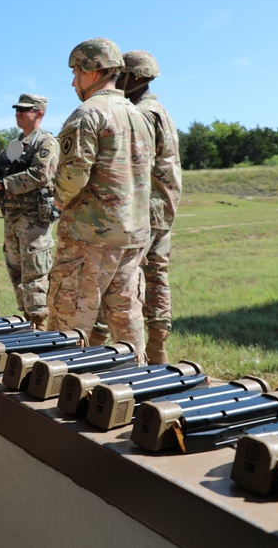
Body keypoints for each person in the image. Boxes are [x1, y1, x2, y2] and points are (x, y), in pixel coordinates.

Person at [47, 38, 155, 357]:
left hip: (88, 240)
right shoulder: (139, 117)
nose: (72, 81)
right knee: (127, 325)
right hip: (132, 238)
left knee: (67, 331)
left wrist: (57, 200)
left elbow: (73, 176)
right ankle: (136, 390)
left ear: (92, 72)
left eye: (76, 71)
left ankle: (59, 396)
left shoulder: (87, 114)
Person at [0, 94, 59, 329]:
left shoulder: (46, 143)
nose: (19, 113)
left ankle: (39, 327)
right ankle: (28, 324)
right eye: (17, 109)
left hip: (34, 222)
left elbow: (40, 175)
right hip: (11, 219)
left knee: (35, 276)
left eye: (25, 109)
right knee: (17, 275)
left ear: (39, 113)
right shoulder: (14, 145)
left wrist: (2, 185)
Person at [116, 50, 182, 364]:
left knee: (132, 278)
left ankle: (140, 354)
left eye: (120, 75)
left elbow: (133, 166)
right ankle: (159, 354)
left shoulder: (142, 113)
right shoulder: (159, 110)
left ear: (136, 77)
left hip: (147, 208)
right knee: (157, 276)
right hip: (162, 207)